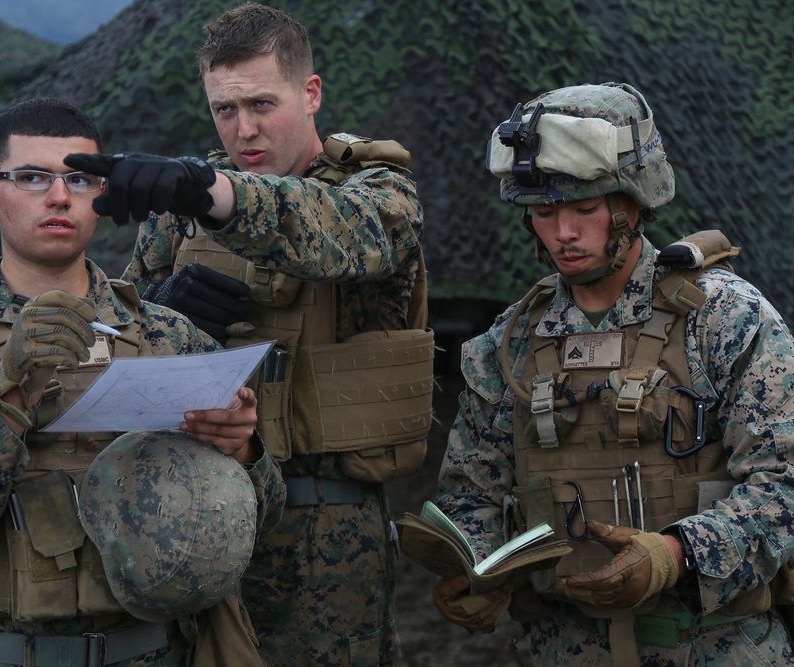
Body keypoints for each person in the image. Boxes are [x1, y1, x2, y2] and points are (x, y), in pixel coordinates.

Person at [0, 96, 285, 667]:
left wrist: (244, 450)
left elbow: (263, 519)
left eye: (79, 178)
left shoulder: (168, 339)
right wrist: (6, 400)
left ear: (100, 193)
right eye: (31, 177)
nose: (59, 196)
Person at [63, 4, 430, 665]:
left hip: (322, 534)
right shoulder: (182, 215)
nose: (244, 128)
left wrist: (215, 193)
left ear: (311, 92)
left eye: (263, 103)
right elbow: (101, 359)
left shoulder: (378, 192)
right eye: (224, 110)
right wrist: (156, 320)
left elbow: (341, 235)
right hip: (189, 516)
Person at [431, 81, 794, 666]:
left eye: (584, 209)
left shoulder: (723, 317)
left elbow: (786, 482)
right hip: (563, 648)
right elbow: (469, 493)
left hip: (715, 648)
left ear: (634, 204)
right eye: (544, 213)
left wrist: (676, 556)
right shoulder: (511, 342)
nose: (563, 233)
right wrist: (475, 568)